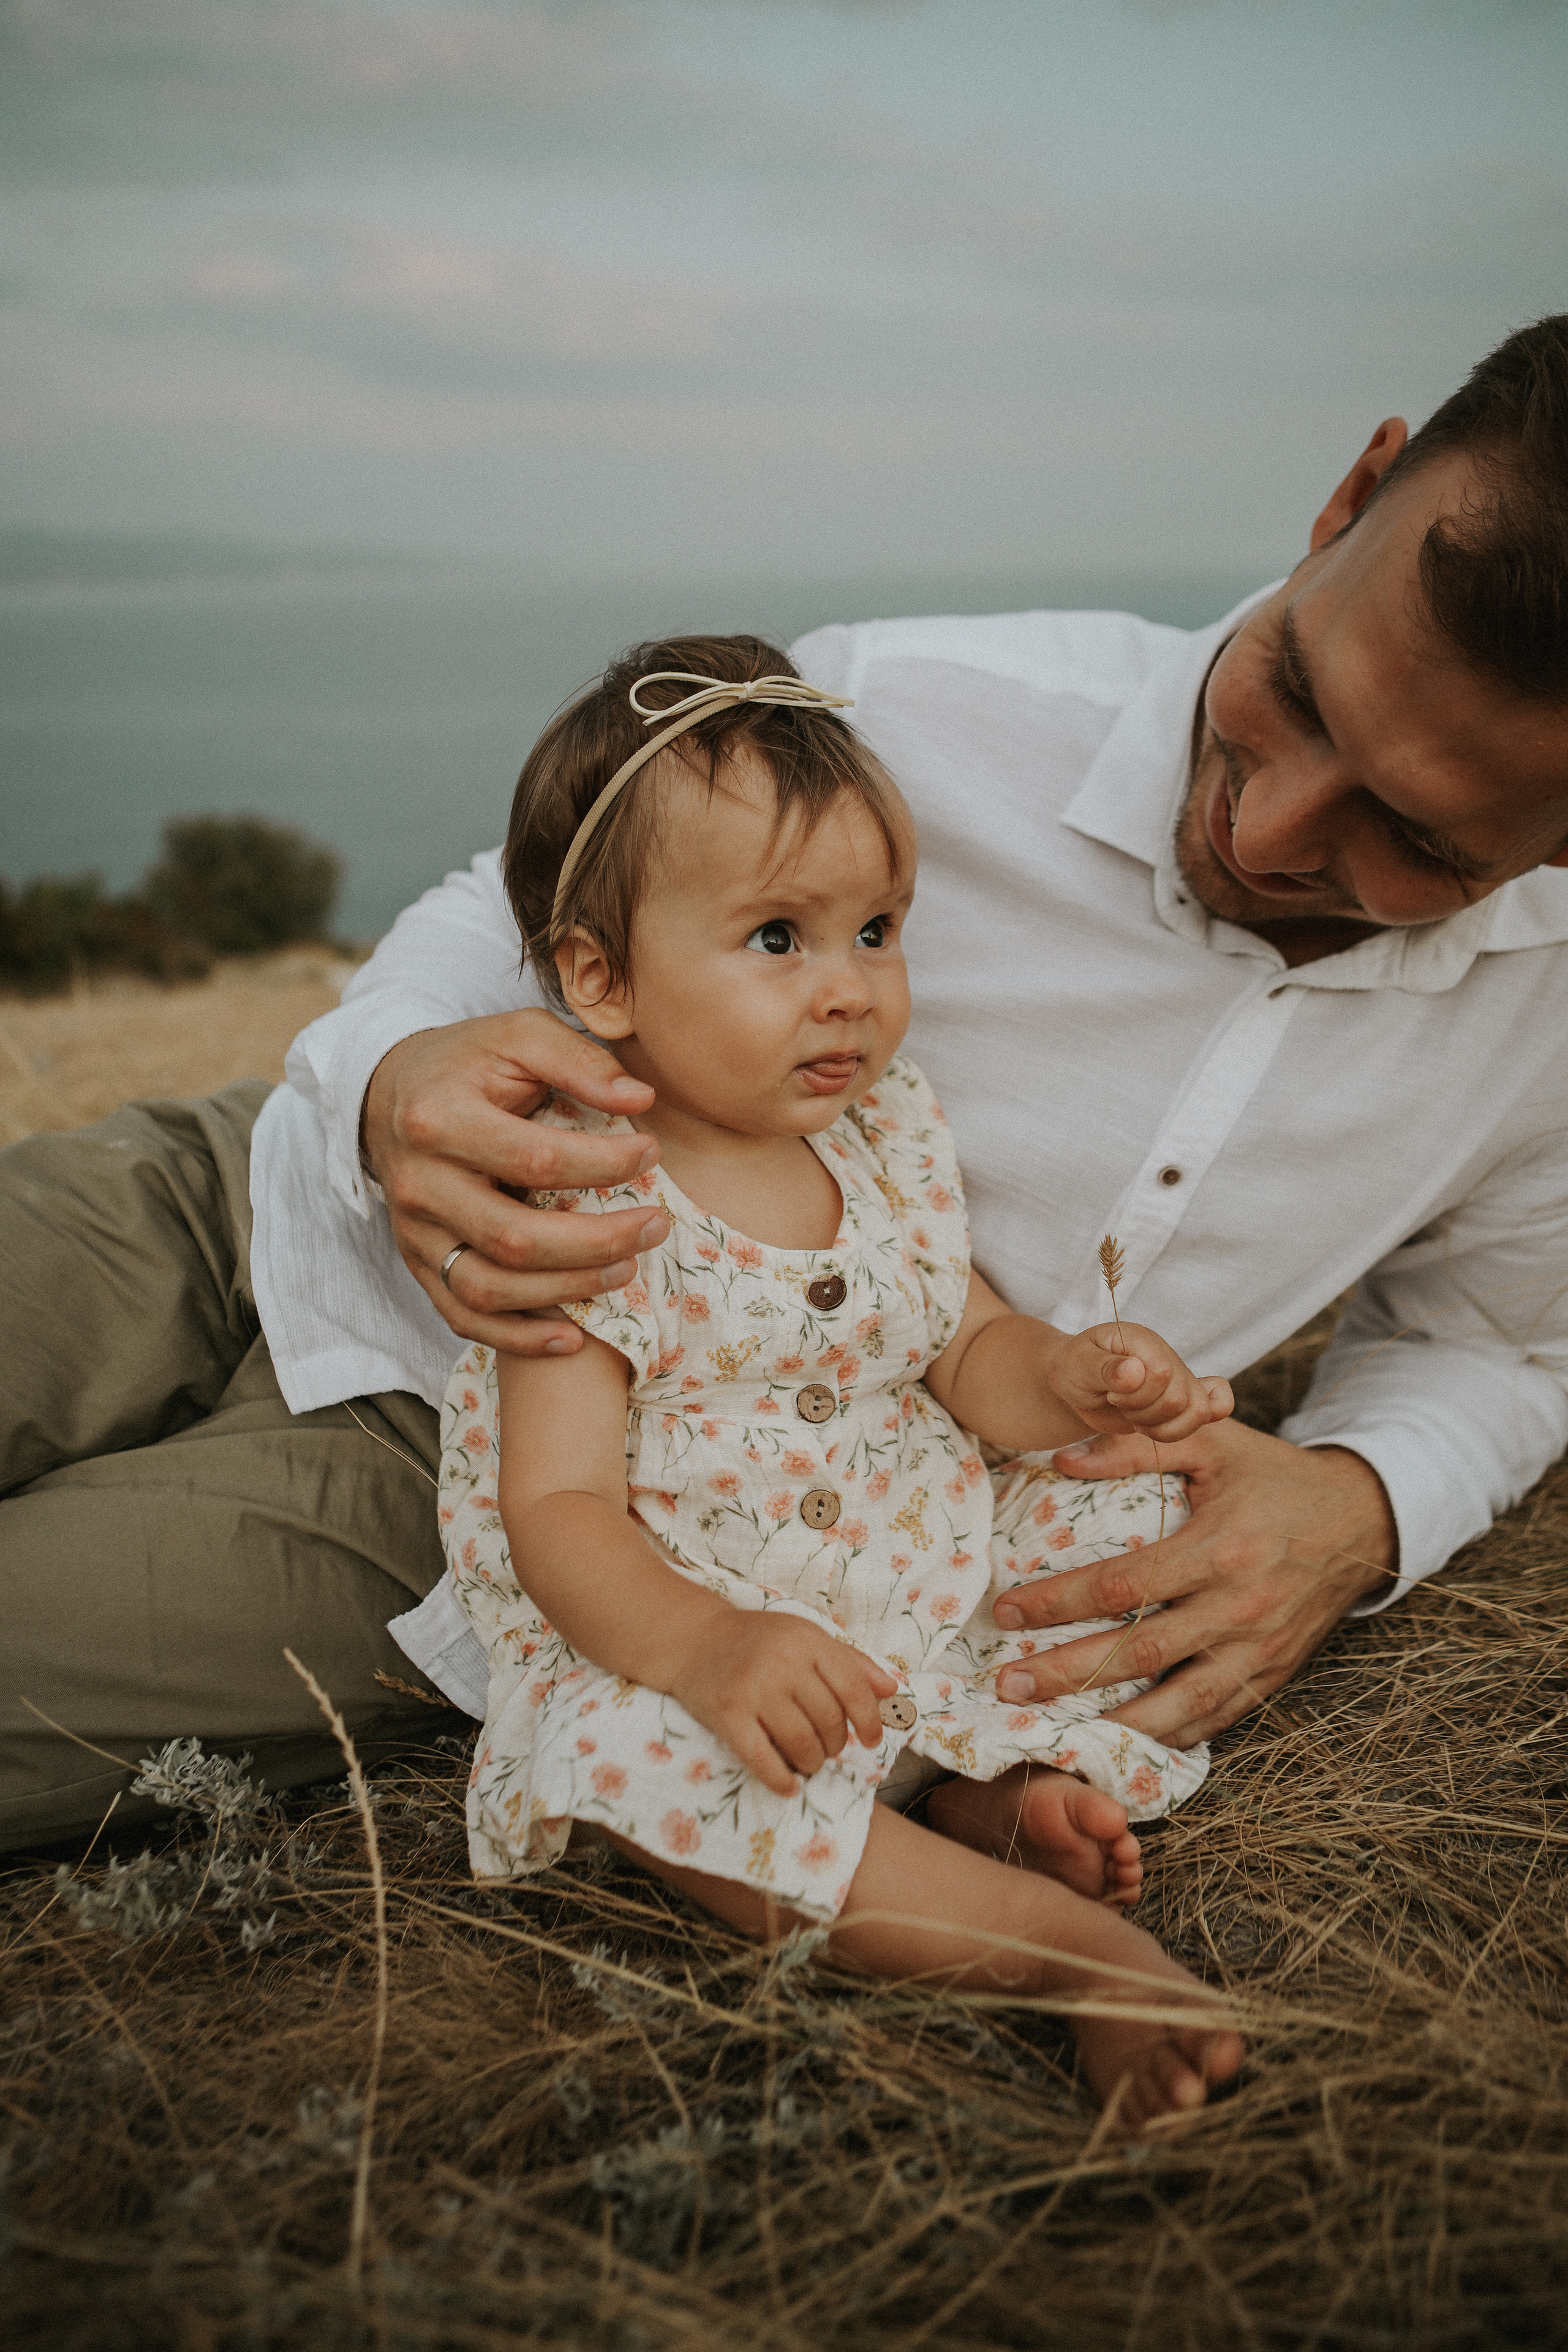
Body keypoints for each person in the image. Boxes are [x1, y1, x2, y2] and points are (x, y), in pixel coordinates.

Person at [3, 315, 1566, 1850]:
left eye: (1411, 837)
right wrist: (389, 1083)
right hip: (249, 1180)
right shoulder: (914, 696)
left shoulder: (1544, 1024)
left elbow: (1501, 1345)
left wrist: (1364, 1503)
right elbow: (507, 903)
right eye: (1293, 691)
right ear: (1351, 497)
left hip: (515, 1491)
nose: (1271, 831)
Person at [442, 634, 1241, 2120]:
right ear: (598, 977)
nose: (848, 993)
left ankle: (975, 1796)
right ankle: (1064, 1953)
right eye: (776, 941)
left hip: (907, 1574)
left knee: (1123, 1511)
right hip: (707, 1636)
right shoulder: (587, 1207)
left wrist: (1072, 1379)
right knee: (646, 1765)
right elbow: (554, 1509)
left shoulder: (883, 1139)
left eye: (878, 931)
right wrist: (704, 1648)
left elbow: (967, 1350)